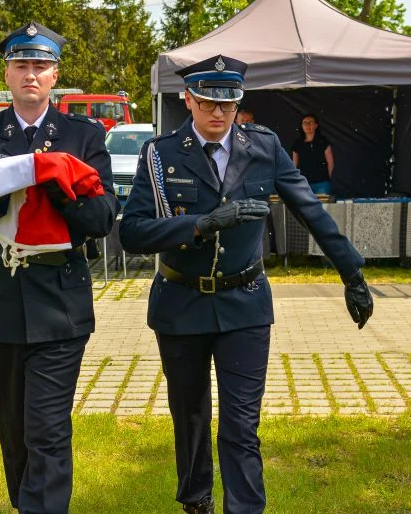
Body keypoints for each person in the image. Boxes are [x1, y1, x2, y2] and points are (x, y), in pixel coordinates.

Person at [119, 55, 373, 514]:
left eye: (229, 104)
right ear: (188, 100)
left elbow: (309, 208)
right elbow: (132, 232)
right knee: (191, 419)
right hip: (181, 301)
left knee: (241, 423)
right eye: (208, 103)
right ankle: (196, 502)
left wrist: (351, 272)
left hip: (245, 301)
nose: (219, 114)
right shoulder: (160, 155)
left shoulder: (263, 146)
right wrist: (200, 224)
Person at [0, 21, 119, 514]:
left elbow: (103, 218)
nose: (30, 75)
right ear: (7, 72)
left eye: (40, 66)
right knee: (14, 428)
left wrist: (57, 185)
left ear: (54, 74)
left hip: (59, 296)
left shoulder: (82, 135)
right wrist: (1, 192)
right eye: (21, 65)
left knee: (47, 426)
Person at [291, 113, 333, 195]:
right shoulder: (297, 143)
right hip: (303, 183)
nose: (308, 125)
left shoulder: (323, 141)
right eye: (305, 123)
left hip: (322, 183)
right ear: (302, 126)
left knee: (322, 206)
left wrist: (326, 178)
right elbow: (294, 164)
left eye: (310, 122)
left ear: (316, 125)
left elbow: (330, 163)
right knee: (304, 207)